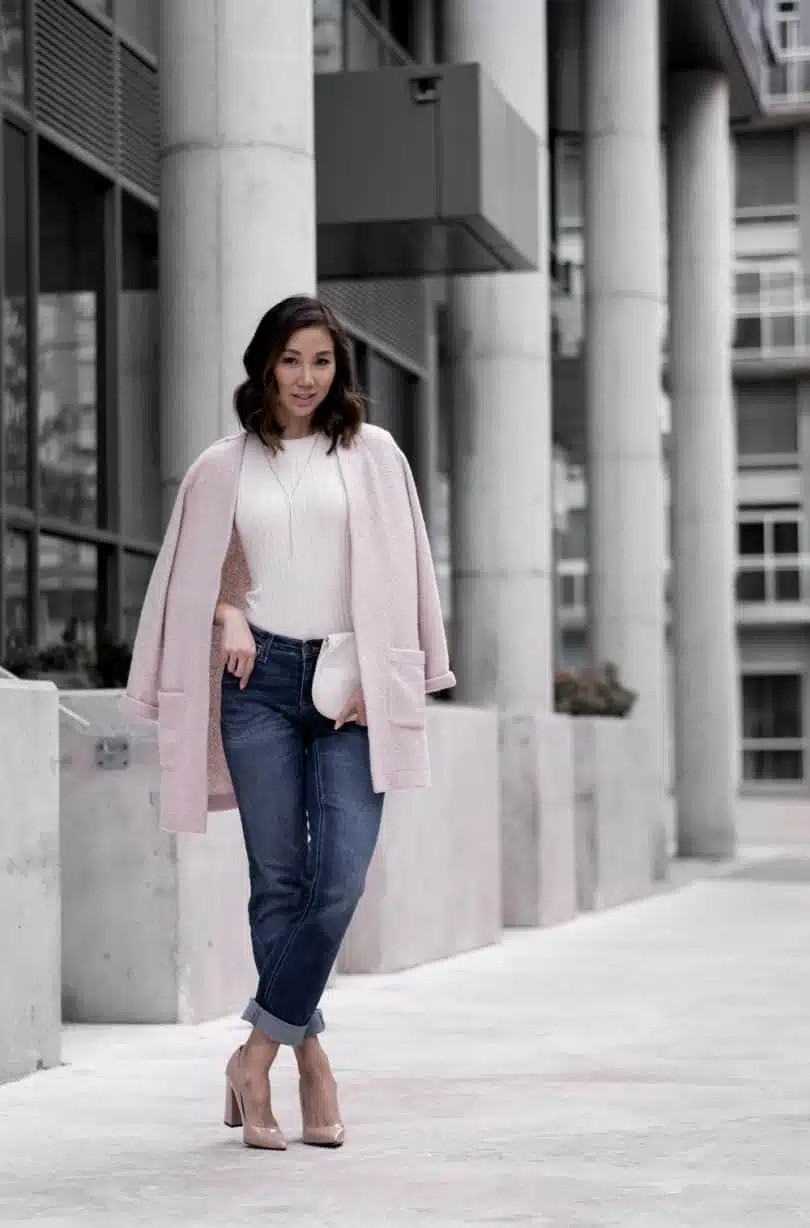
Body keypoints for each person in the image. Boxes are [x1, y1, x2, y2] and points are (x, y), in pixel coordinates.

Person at [122, 295, 455, 1152]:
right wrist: (228, 610)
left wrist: (388, 668)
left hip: (349, 687)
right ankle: (310, 1063)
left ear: (339, 370)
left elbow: (408, 569)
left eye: (322, 361)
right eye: (291, 359)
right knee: (277, 881)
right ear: (264, 365)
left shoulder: (374, 455)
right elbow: (191, 575)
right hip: (258, 683)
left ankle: (259, 1053)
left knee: (337, 880)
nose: (306, 378)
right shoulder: (221, 466)